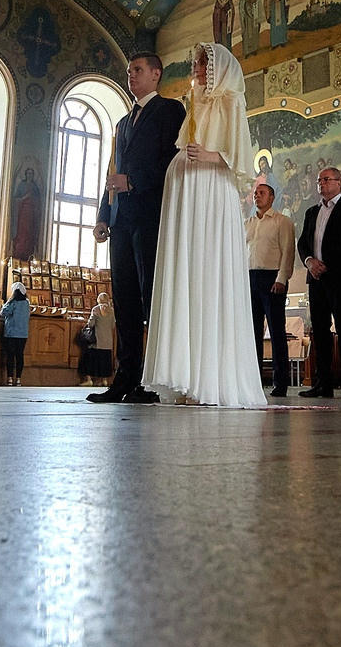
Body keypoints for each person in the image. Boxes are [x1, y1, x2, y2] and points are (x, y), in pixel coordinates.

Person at [143, 43, 267, 408]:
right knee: (188, 273)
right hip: (188, 193)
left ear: (219, 67)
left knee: (209, 273)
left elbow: (240, 159)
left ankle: (210, 379)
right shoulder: (194, 99)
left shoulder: (232, 100)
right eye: (196, 62)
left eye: (203, 62)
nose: (196, 67)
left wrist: (210, 155)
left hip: (212, 191)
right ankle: (185, 376)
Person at [90, 50, 184, 404]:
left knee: (150, 298)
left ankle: (151, 379)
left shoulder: (170, 111)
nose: (131, 76)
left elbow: (172, 162)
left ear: (156, 74)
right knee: (124, 299)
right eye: (129, 71)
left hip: (151, 216)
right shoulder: (121, 123)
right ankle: (124, 378)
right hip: (120, 219)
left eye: (138, 70)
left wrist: (133, 182)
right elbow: (111, 172)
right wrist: (103, 214)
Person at [296, 167, 341, 397]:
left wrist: (324, 263)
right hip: (316, 279)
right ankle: (322, 382)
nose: (321, 184)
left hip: (340, 277)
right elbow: (303, 242)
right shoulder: (311, 212)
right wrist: (309, 262)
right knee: (320, 331)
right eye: (319, 180)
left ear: (339, 182)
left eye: (326, 179)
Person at [244, 178, 299, 395]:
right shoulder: (247, 223)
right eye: (256, 193)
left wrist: (282, 278)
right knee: (253, 333)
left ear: (272, 197)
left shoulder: (282, 221)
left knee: (276, 331)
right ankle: (255, 380)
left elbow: (288, 252)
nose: (258, 196)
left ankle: (281, 382)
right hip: (250, 278)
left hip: (272, 279)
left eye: (262, 192)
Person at [0, 280, 30, 386]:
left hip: (11, 333)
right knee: (20, 356)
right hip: (23, 334)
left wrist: (7, 303)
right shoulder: (26, 303)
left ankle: (10, 378)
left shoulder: (13, 302)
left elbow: (3, 312)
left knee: (10, 356)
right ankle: (19, 379)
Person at [81, 295, 115, 384]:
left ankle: (89, 380)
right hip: (107, 342)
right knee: (105, 361)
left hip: (96, 341)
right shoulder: (111, 311)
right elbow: (113, 326)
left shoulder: (96, 309)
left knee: (90, 359)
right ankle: (104, 380)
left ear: (98, 300)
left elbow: (91, 324)